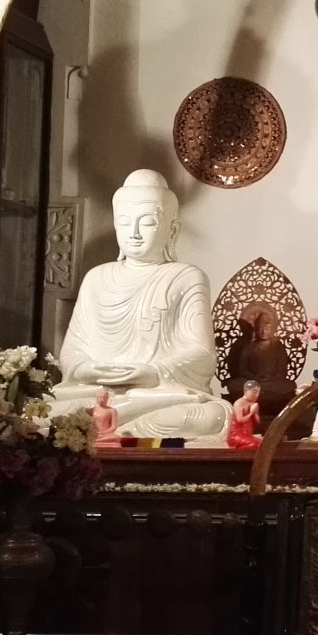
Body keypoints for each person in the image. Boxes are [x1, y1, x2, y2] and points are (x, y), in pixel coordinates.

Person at [53, 169, 230, 441]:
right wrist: (86, 368)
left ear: (172, 230)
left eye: (147, 223)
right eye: (125, 222)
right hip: (95, 393)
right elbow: (72, 353)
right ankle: (113, 432)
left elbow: (203, 354)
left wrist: (152, 372)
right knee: (40, 413)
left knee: (210, 416)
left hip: (154, 396)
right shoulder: (96, 278)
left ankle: (97, 433)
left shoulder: (186, 277)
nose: (133, 233)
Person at [226, 381, 263, 451]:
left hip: (247, 434)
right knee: (255, 445)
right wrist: (251, 413)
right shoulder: (239, 403)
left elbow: (257, 422)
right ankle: (236, 453)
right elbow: (240, 420)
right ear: (246, 391)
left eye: (258, 392)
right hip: (236, 435)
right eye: (254, 392)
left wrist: (255, 413)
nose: (257, 395)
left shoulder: (253, 404)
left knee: (263, 444)